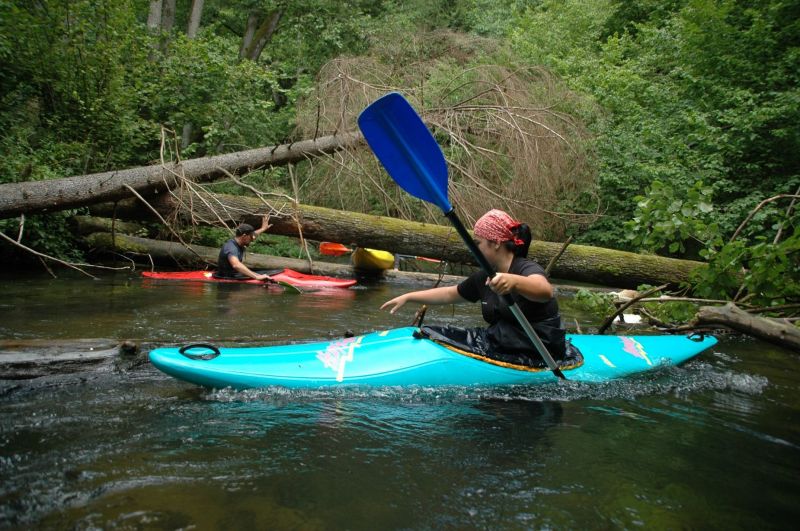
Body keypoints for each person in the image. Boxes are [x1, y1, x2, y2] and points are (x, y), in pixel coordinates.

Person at [381, 209, 571, 367]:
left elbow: (545, 291)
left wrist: (513, 281)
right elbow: (450, 294)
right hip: (503, 342)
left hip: (537, 349)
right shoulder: (486, 275)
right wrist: (409, 296)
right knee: (433, 332)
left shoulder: (525, 268)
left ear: (496, 243)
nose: (475, 249)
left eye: (478, 243)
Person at [215, 215, 272, 280]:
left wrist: (263, 229)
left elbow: (253, 235)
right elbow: (236, 265)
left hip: (234, 275)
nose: (253, 239)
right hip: (226, 280)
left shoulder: (240, 240)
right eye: (251, 237)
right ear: (244, 236)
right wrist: (257, 277)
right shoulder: (231, 248)